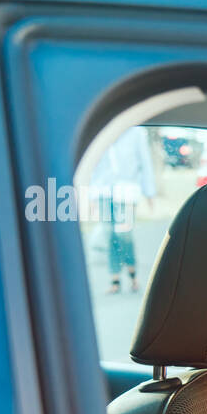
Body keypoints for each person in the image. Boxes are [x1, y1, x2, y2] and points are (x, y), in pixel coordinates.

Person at [90, 125, 156, 294]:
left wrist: (150, 194)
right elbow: (94, 165)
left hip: (126, 191)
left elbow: (145, 163)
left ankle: (133, 275)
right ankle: (115, 279)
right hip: (103, 191)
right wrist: (91, 196)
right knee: (108, 235)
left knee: (123, 233)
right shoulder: (100, 131)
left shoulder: (135, 133)